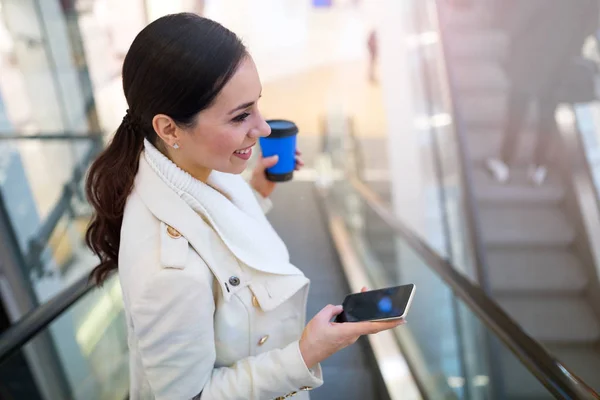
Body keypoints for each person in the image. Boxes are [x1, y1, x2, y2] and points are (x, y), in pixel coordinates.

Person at [84, 13, 403, 400]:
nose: (263, 128)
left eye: (256, 105)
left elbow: (213, 232)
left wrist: (255, 192)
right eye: (240, 116)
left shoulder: (190, 165)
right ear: (169, 128)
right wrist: (306, 354)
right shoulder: (168, 270)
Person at [486, 0, 599, 185]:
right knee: (547, 115)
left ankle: (504, 162)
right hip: (562, 59)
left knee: (517, 109)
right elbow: (591, 23)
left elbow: (524, 14)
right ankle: (538, 166)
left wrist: (511, 43)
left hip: (531, 53)